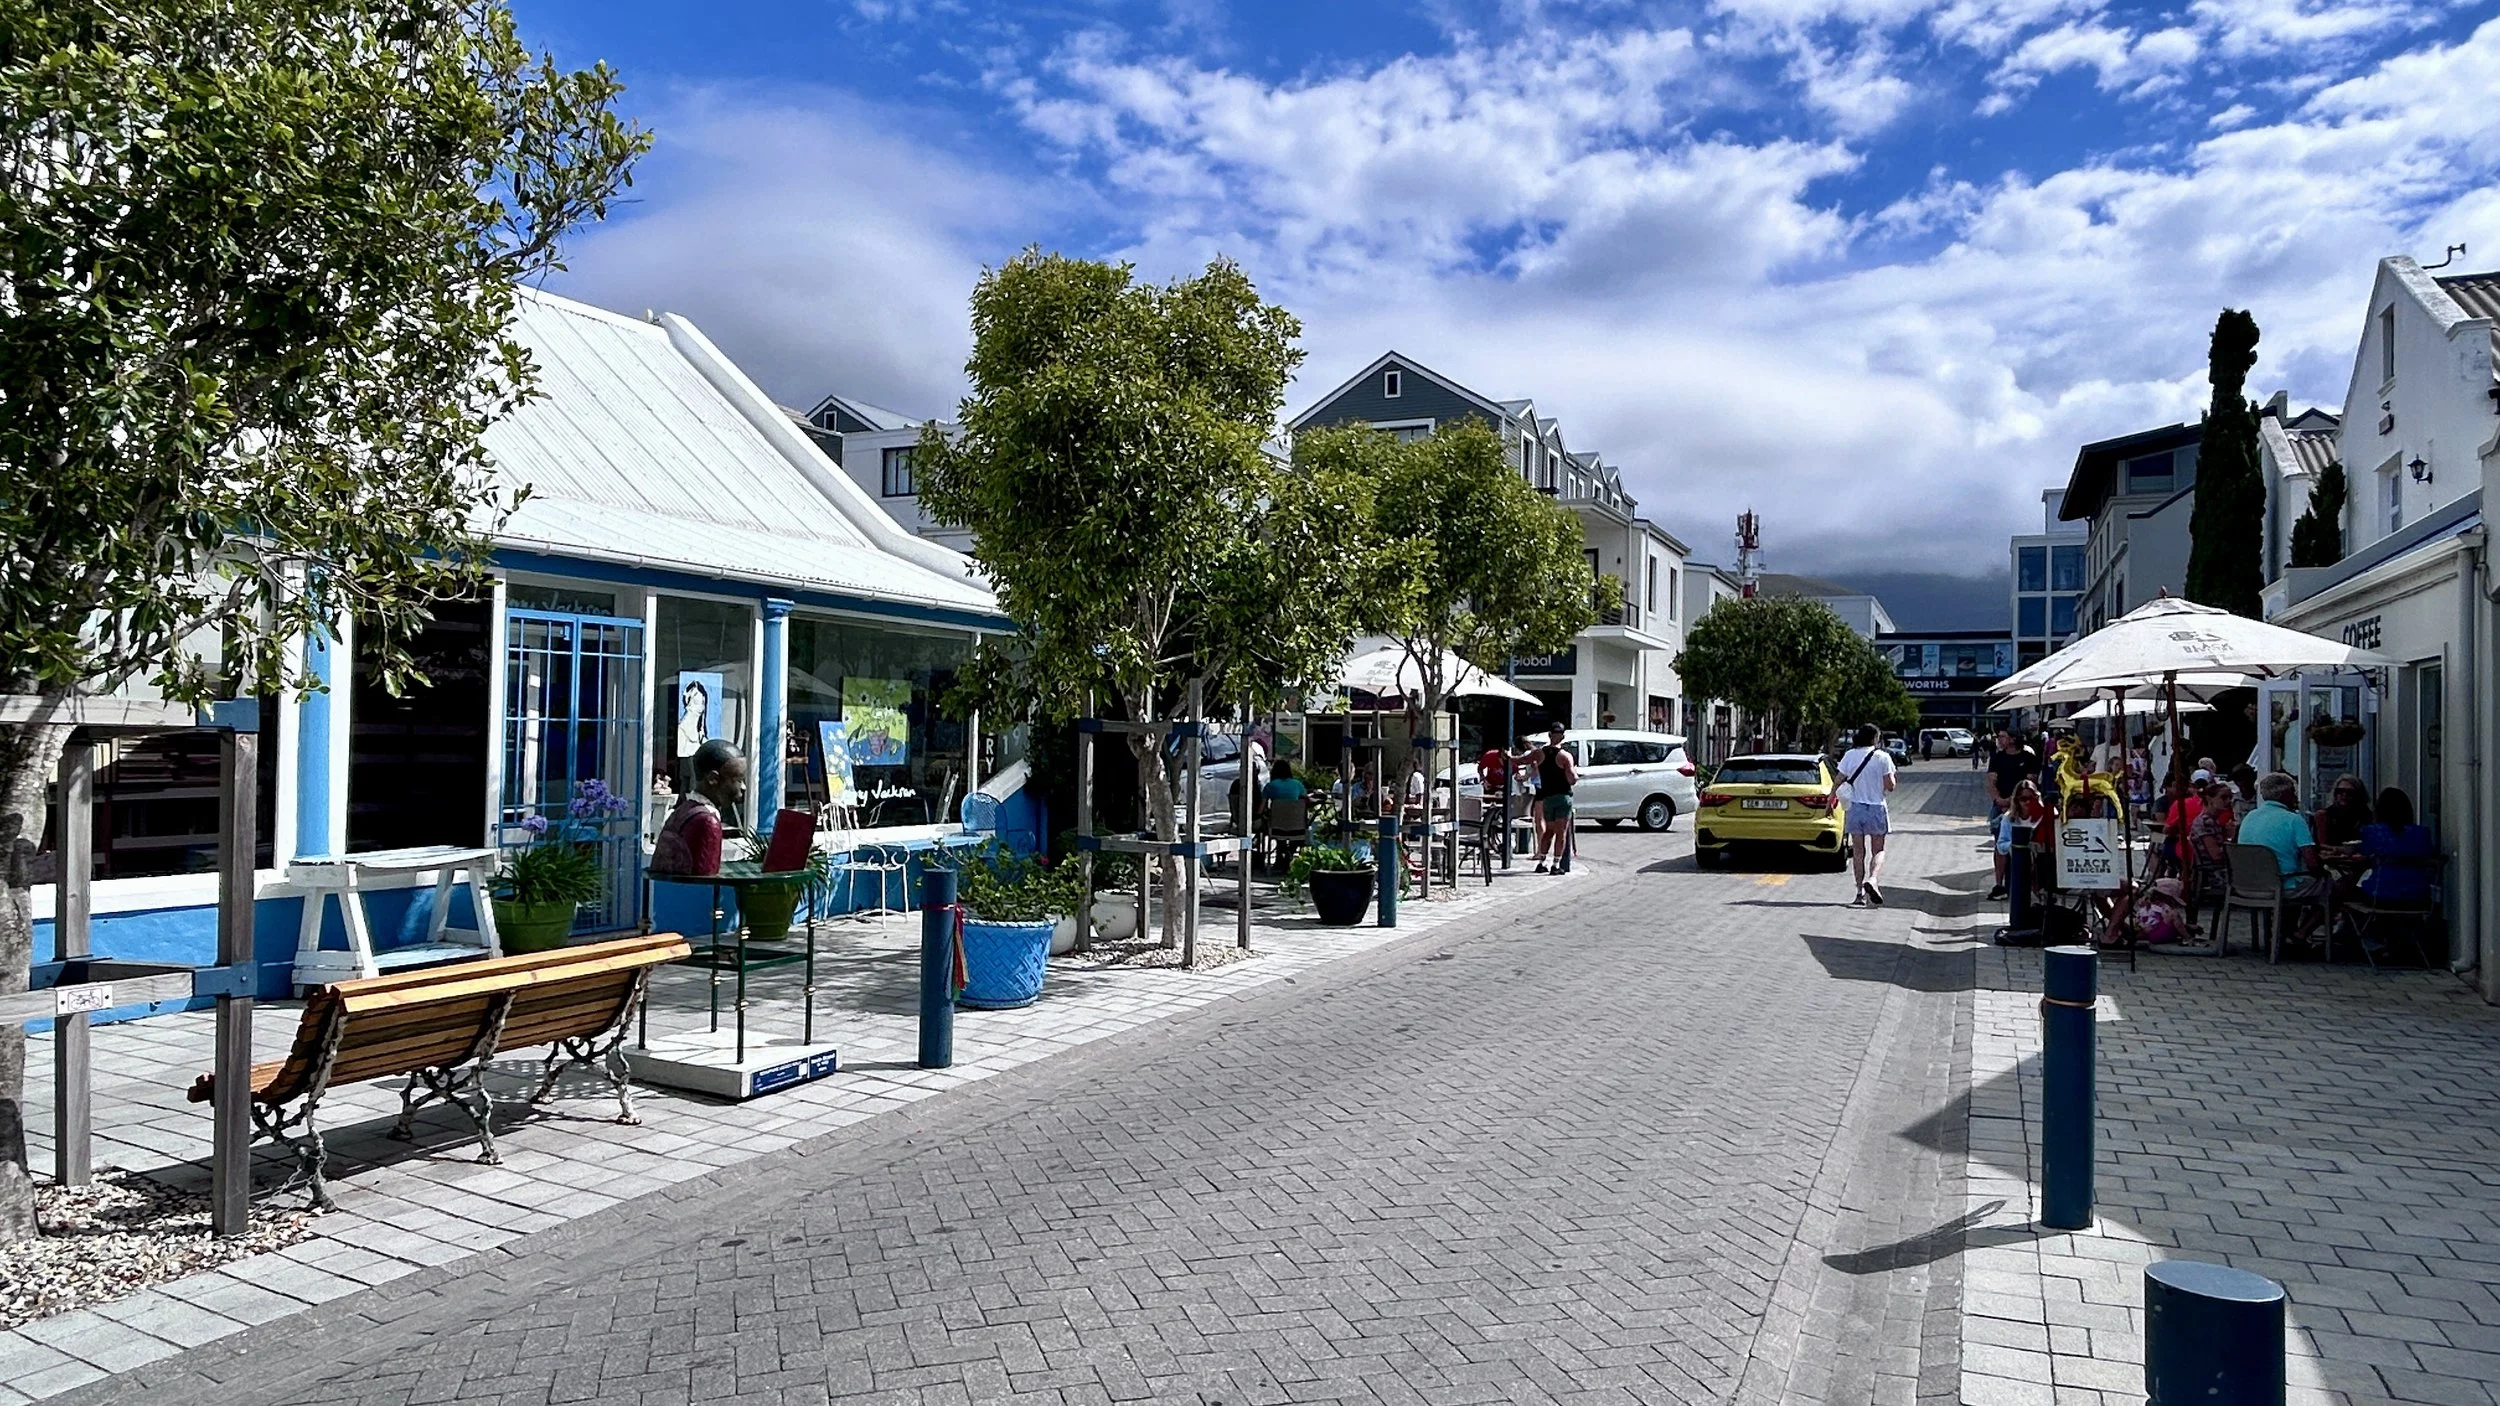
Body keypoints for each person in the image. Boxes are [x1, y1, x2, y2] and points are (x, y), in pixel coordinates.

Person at [2238, 771, 2330, 943]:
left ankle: (2286, 933)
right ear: (2282, 795)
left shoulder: (2250, 817)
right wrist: (2323, 870)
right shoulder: (2294, 820)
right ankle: (2301, 933)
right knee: (2330, 887)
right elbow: (2312, 863)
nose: (2295, 796)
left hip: (2247, 884)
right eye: (2292, 792)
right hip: (2281, 886)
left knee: (2293, 878)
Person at [651, 738, 746, 876]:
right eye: (738, 780)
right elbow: (706, 881)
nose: (743, 787)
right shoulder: (707, 822)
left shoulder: (683, 811)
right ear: (713, 778)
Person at [1836, 723, 1898, 906]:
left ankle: (1859, 894)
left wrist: (1831, 800)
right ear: (1875, 738)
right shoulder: (1883, 757)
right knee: (1878, 849)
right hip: (1876, 807)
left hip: (1855, 808)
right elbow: (1891, 786)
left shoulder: (1849, 755)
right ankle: (1872, 879)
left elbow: (1839, 779)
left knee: (1858, 852)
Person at [2355, 787, 2437, 903]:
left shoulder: (2372, 832)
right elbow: (2428, 855)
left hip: (2380, 895)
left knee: (2352, 890)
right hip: (2418, 896)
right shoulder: (2422, 833)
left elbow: (2364, 853)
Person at [1984, 729, 2030, 900]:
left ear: (2012, 739)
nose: (1998, 739)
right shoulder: (1997, 758)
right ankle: (1999, 883)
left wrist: (2013, 802)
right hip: (2001, 805)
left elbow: (2029, 783)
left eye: (2002, 736)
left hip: (2022, 805)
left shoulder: (2028, 758)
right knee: (2000, 843)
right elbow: (1991, 781)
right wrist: (1999, 800)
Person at [1528, 725, 1578, 875]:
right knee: (1560, 833)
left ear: (1549, 735)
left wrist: (1509, 757)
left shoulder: (1539, 753)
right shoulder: (1564, 756)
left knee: (1548, 831)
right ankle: (1556, 865)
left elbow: (1520, 760)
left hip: (1547, 797)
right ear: (1563, 736)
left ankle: (1541, 862)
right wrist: (1575, 771)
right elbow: (1572, 779)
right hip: (1563, 797)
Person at [2315, 773, 2372, 847]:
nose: (2344, 794)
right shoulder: (2325, 815)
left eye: (2350, 792)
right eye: (2340, 791)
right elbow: (2321, 845)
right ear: (2335, 793)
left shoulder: (2366, 816)